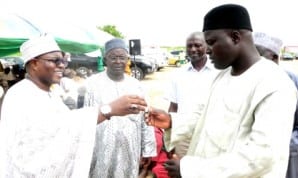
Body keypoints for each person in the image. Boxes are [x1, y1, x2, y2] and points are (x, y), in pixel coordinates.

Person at [145, 4, 298, 178]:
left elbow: (262, 156)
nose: (207, 50)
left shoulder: (274, 83)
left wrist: (189, 170)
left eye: (211, 42)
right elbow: (202, 116)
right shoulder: (222, 76)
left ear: (235, 37)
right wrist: (172, 121)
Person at [0, 34, 148, 177]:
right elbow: (57, 129)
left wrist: (146, 150)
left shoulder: (49, 93)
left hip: (128, 152)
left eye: (63, 60)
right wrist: (109, 110)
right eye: (55, 60)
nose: (62, 65)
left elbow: (66, 122)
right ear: (34, 63)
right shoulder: (22, 96)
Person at [84, 38, 157, 178]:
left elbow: (146, 120)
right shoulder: (91, 85)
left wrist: (148, 150)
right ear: (105, 60)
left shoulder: (137, 86)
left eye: (122, 57)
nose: (118, 61)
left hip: (129, 150)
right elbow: (85, 119)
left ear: (127, 59)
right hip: (100, 150)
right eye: (113, 57)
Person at [253, 32, 298, 178]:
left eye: (259, 56)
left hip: (287, 152)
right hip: (253, 156)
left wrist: (288, 144)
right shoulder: (249, 80)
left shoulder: (292, 80)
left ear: (274, 58)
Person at [166, 31, 219, 158]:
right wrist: (170, 136)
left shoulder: (219, 72)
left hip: (211, 134)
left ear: (206, 47)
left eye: (197, 45)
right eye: (189, 46)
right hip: (183, 136)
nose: (193, 49)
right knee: (183, 170)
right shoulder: (178, 75)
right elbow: (173, 107)